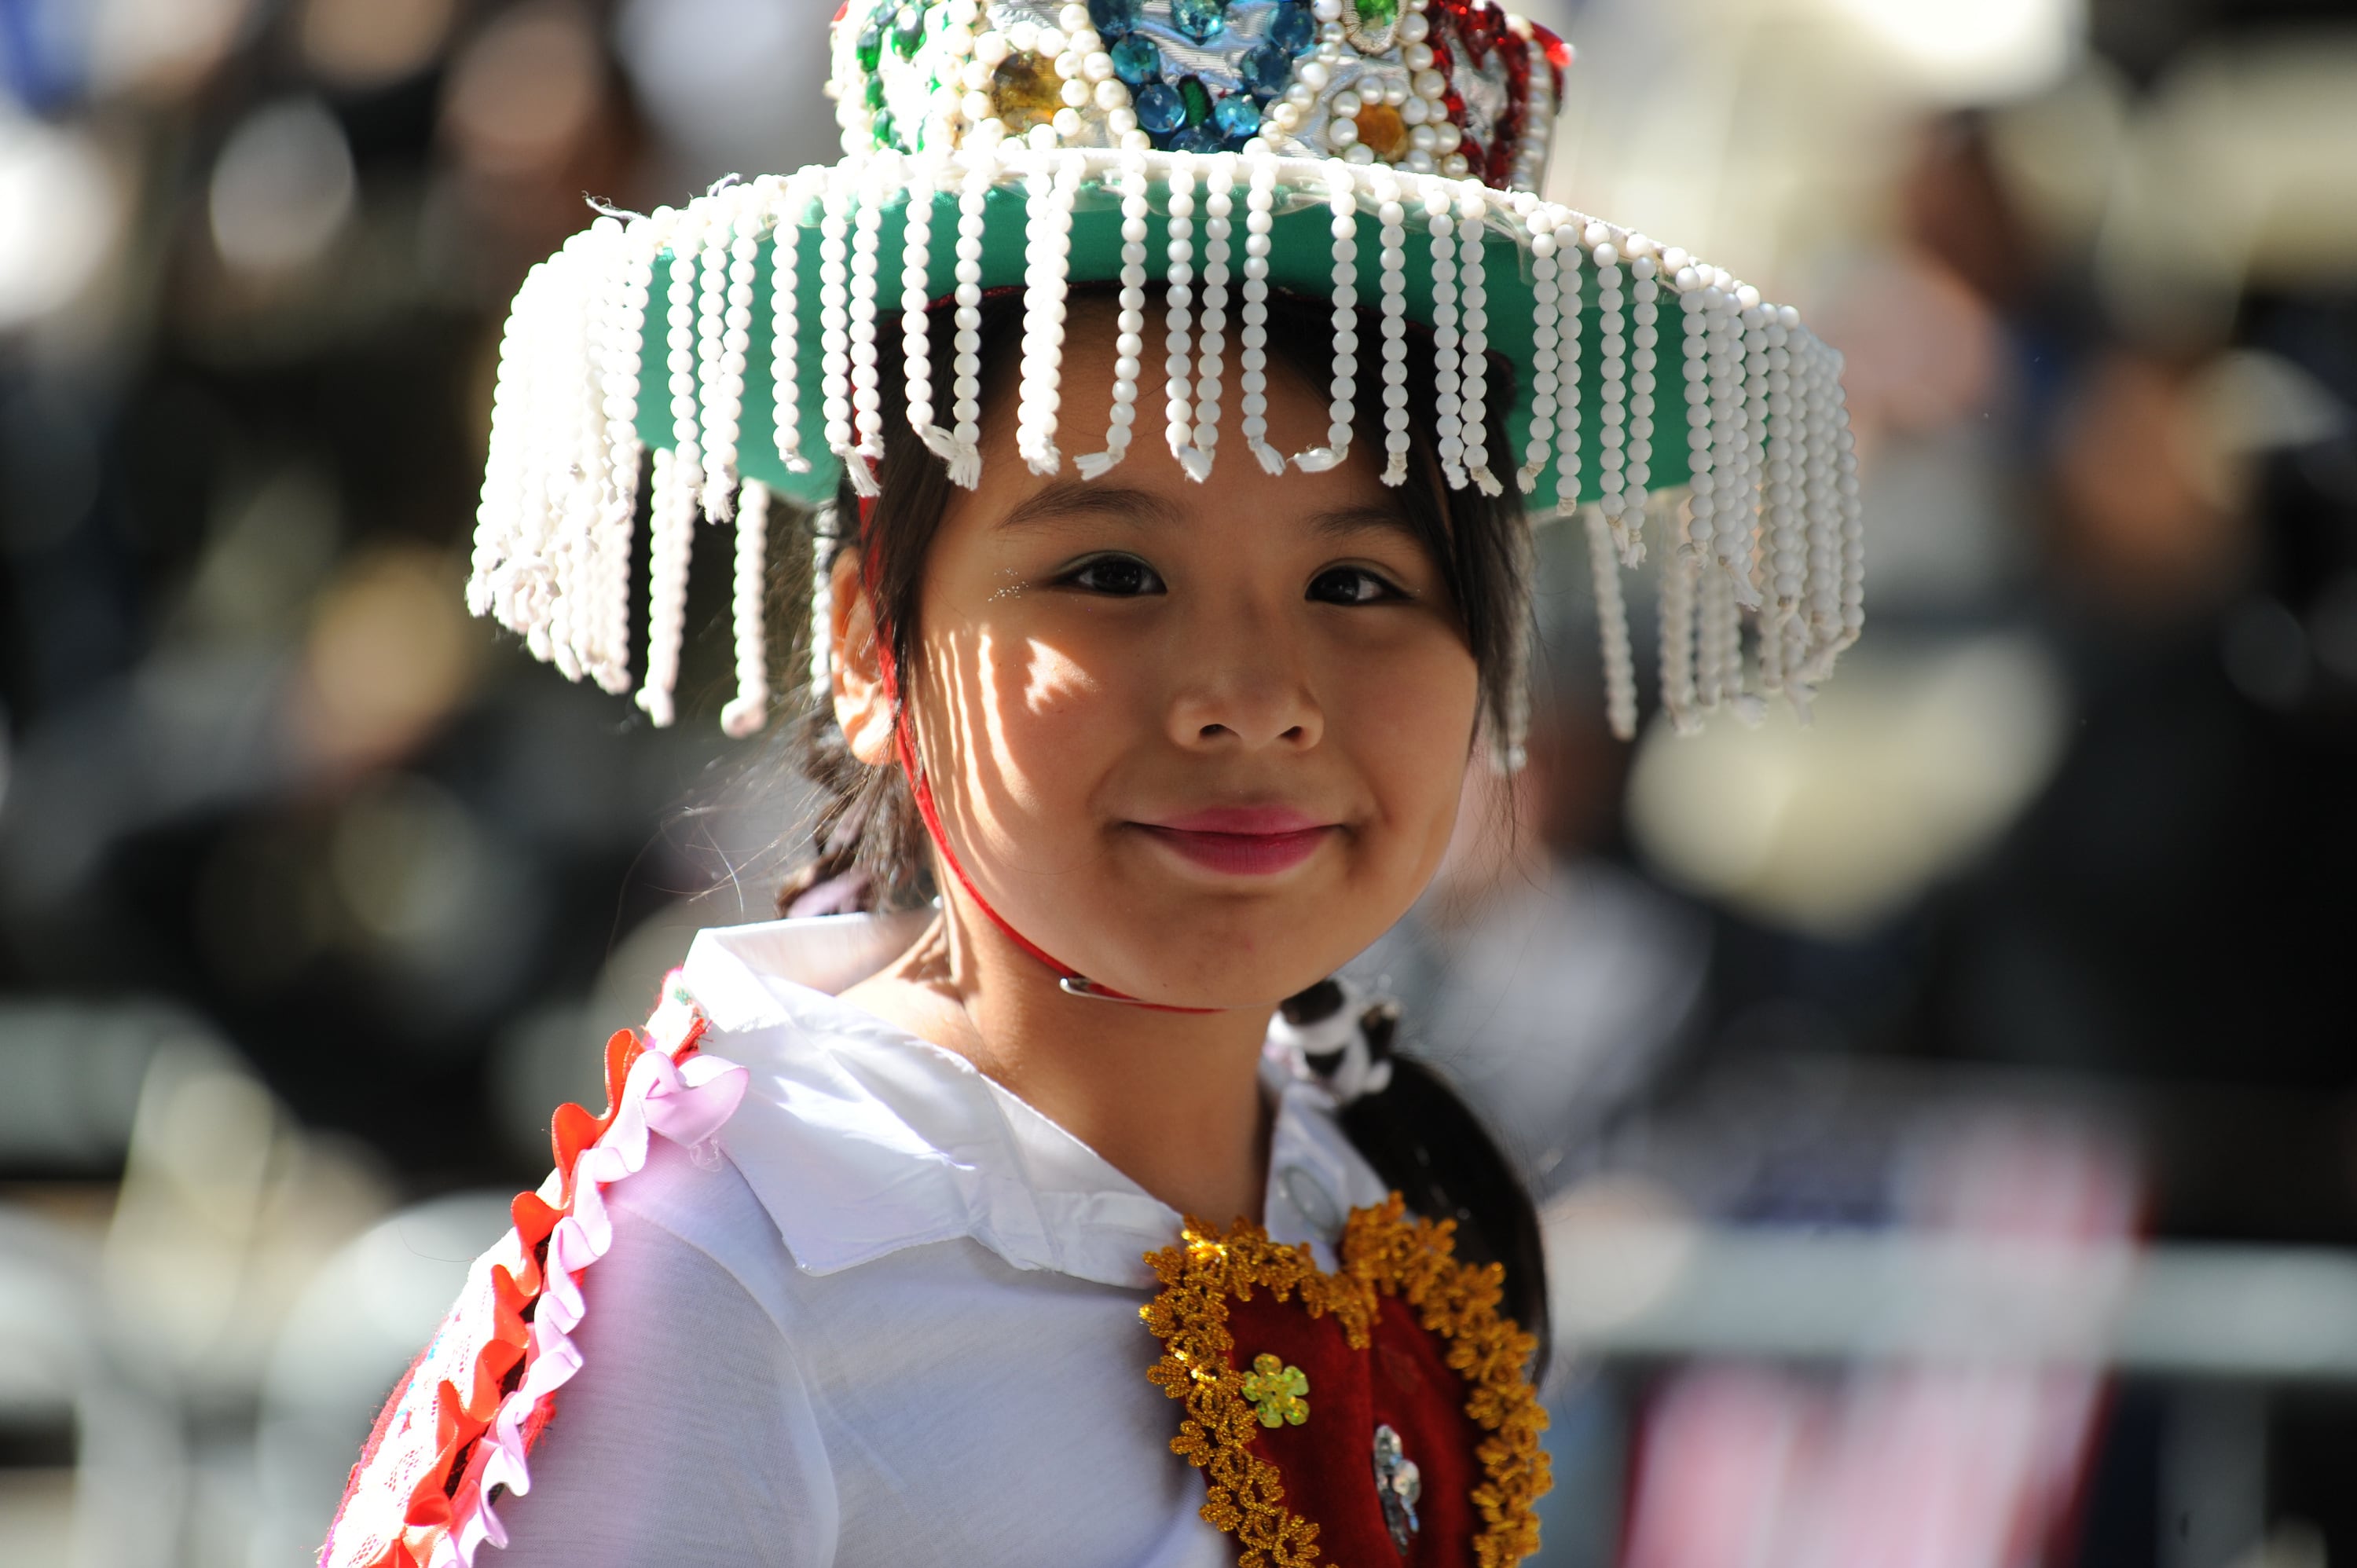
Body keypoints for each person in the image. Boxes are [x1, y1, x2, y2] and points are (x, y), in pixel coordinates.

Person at [321, 3, 1862, 1565]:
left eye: (1361, 583)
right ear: (870, 643)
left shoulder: (1371, 1204)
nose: (1254, 700)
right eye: (1113, 570)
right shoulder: (728, 1271)